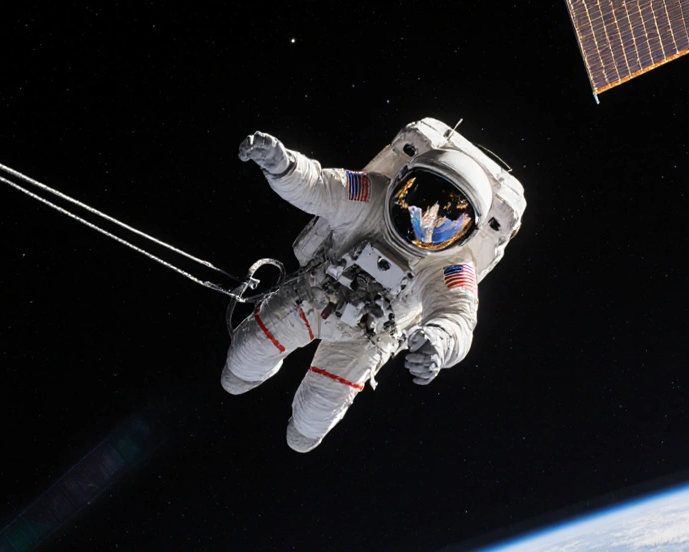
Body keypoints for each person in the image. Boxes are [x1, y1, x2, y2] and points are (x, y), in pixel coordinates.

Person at [222, 120, 525, 452]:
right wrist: (282, 165)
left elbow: (457, 317)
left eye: (445, 222)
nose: (425, 223)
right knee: (240, 364)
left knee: (307, 428)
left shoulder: (453, 264)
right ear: (402, 181)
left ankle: (300, 430)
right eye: (420, 201)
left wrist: (438, 341)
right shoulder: (371, 193)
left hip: (365, 338)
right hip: (314, 294)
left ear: (467, 232)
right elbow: (317, 185)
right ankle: (248, 377)